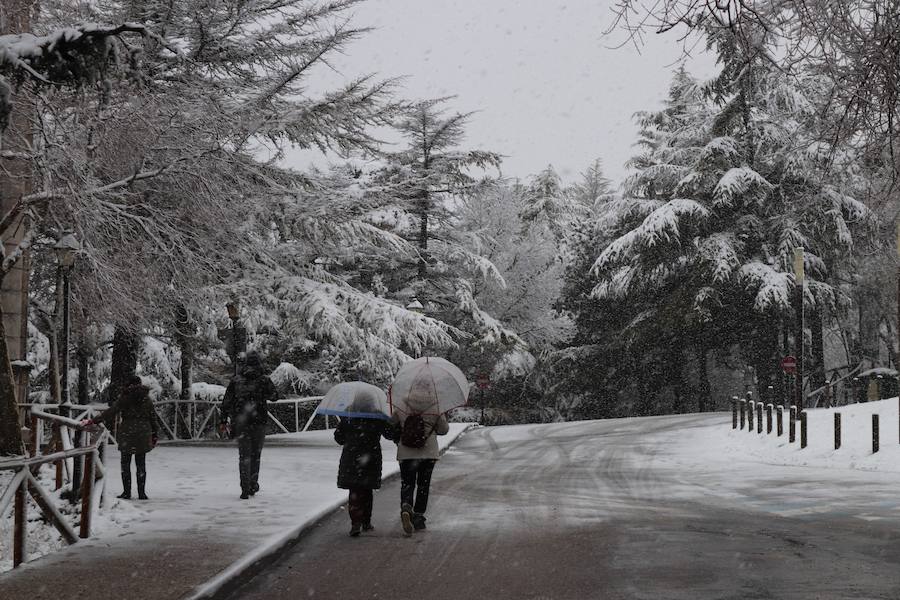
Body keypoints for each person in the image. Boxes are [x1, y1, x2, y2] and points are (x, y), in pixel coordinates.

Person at [85, 374, 158, 500]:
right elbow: (153, 417)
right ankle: (142, 493)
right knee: (141, 463)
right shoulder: (147, 399)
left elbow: (111, 412)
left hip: (127, 432)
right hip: (143, 432)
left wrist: (95, 420)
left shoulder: (125, 398)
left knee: (125, 463)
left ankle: (127, 492)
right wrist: (154, 434)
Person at [221, 350, 277, 499]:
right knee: (255, 455)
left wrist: (223, 420)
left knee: (244, 455)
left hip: (241, 422)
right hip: (259, 422)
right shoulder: (264, 380)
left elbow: (226, 401)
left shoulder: (236, 380)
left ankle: (244, 487)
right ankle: (253, 483)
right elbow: (275, 396)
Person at [333, 416, 396, 537]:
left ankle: (355, 521)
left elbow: (339, 438)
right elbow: (389, 434)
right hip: (371, 456)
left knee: (354, 490)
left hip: (351, 457)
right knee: (367, 488)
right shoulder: (376, 415)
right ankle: (366, 522)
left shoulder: (349, 416)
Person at [391, 410, 449, 535]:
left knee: (407, 482)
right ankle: (418, 516)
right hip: (428, 452)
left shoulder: (401, 406)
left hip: (406, 451)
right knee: (423, 484)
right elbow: (444, 429)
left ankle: (406, 506)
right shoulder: (436, 406)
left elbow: (391, 425)